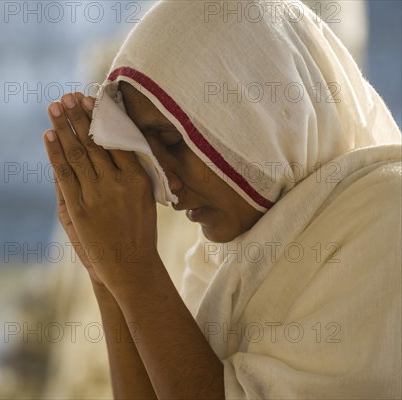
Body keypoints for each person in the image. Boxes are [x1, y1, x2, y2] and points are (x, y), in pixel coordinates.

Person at [43, 0, 401, 398]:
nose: (166, 182)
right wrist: (107, 273)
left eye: (172, 142)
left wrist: (136, 271)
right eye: (149, 155)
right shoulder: (221, 259)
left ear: (255, 109)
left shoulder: (388, 215)